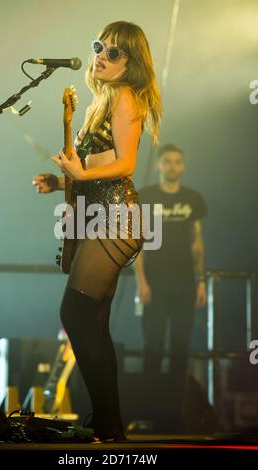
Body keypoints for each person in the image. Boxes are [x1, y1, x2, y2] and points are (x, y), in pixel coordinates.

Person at [32, 21, 162, 442]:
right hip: (99, 215)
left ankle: (108, 422)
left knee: (74, 313)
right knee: (93, 321)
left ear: (130, 63)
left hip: (116, 217)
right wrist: (61, 180)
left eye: (114, 53)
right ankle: (108, 424)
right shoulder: (97, 103)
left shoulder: (125, 97)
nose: (101, 57)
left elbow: (125, 164)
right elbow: (89, 173)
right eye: (98, 48)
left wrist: (80, 171)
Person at [134, 144, 208, 429]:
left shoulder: (193, 199)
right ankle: (149, 414)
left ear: (183, 166)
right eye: (168, 161)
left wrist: (201, 281)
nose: (173, 166)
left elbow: (197, 242)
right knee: (153, 348)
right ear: (159, 165)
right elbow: (138, 242)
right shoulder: (147, 196)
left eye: (178, 161)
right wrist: (141, 281)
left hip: (186, 283)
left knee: (180, 348)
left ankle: (176, 415)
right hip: (154, 282)